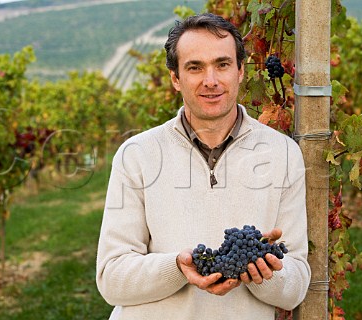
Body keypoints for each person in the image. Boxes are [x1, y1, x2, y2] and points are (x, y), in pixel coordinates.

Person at [96, 13, 310, 319]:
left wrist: (264, 272)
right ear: (175, 78)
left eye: (222, 64)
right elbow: (111, 279)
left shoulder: (283, 154)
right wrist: (177, 268)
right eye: (195, 67)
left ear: (240, 71)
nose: (210, 81)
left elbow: (295, 287)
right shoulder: (137, 154)